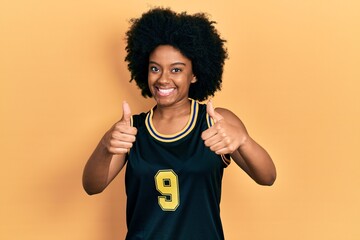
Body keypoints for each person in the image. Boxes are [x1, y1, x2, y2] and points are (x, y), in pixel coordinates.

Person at [82, 7, 276, 240]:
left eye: (176, 69)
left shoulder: (215, 121)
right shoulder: (131, 129)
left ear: (194, 74)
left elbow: (267, 177)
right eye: (155, 68)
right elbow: (92, 186)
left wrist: (243, 141)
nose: (163, 78)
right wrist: (105, 145)